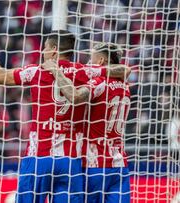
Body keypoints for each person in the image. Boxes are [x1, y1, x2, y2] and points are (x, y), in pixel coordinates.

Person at [42, 42, 131, 203]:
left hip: (94, 164)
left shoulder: (99, 83)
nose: (89, 63)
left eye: (91, 59)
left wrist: (55, 69)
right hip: (120, 165)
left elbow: (74, 96)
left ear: (101, 61)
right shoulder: (126, 86)